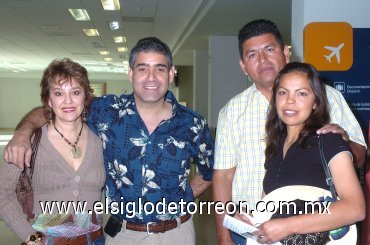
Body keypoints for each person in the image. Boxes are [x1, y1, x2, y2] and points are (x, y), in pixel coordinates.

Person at [4, 37, 214, 245]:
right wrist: (24, 131)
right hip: (123, 235)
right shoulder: (107, 112)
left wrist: (182, 198)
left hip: (176, 234)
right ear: (130, 73)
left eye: (159, 68)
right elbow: (56, 111)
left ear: (170, 73)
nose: (151, 77)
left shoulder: (192, 123)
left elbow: (209, 171)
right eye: (142, 68)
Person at [212, 19, 366, 245]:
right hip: (253, 230)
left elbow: (359, 161)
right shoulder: (234, 115)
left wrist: (341, 142)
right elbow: (223, 176)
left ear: (286, 52)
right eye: (252, 55)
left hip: (317, 233)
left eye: (269, 49)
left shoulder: (330, 98)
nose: (262, 60)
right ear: (243, 66)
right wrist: (224, 236)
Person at [252, 62, 365, 244]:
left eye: (302, 93)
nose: (290, 100)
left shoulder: (328, 141)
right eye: (283, 92)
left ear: (315, 103)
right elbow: (268, 207)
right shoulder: (274, 147)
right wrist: (251, 221)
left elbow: (356, 208)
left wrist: (289, 225)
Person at [0, 58, 106, 244]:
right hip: (44, 240)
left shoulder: (100, 140)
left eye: (75, 92)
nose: (68, 101)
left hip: (94, 240)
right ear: (48, 100)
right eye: (59, 93)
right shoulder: (31, 141)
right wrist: (30, 238)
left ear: (85, 96)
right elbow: (2, 193)